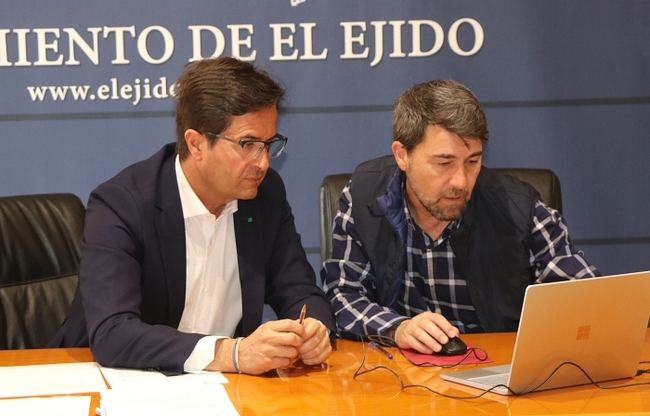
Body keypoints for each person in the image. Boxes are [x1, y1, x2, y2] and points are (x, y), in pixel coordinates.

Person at [51, 57, 334, 375]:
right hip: (120, 382)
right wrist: (231, 352)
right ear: (196, 144)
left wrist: (313, 329)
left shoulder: (265, 196)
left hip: (226, 391)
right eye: (248, 144)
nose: (263, 162)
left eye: (268, 144)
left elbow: (299, 289)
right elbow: (113, 333)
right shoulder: (122, 203)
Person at [322, 79, 598, 355]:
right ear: (402, 155)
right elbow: (343, 295)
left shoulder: (519, 208)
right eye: (444, 163)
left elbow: (583, 301)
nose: (461, 181)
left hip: (499, 370)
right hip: (406, 377)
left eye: (473, 161)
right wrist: (398, 328)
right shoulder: (364, 194)